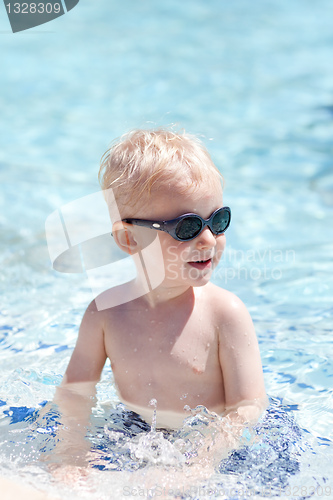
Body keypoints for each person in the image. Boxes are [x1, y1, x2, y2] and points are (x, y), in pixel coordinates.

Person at [54, 128, 267, 453]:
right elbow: (75, 392)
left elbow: (248, 409)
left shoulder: (225, 314)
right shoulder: (106, 314)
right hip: (134, 432)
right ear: (128, 239)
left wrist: (201, 464)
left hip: (211, 445)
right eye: (187, 227)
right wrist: (70, 450)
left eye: (218, 220)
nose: (208, 240)